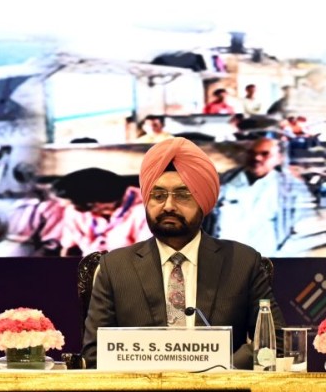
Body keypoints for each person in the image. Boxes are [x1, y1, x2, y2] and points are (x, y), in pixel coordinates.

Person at [82, 137, 284, 369]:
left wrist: (220, 368)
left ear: (203, 202)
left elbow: (273, 340)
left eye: (182, 195)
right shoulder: (115, 266)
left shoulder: (241, 262)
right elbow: (95, 351)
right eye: (158, 196)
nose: (168, 205)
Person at [214, 137, 300, 255]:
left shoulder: (289, 189)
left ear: (279, 158)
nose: (256, 158)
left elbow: (297, 233)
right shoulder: (228, 181)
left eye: (265, 154)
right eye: (252, 153)